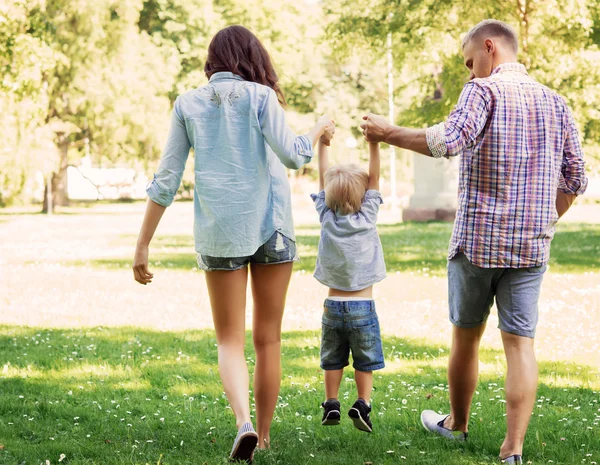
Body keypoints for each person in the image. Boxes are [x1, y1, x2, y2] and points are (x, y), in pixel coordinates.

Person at [360, 19, 587, 465]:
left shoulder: (483, 91)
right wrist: (543, 219)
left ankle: (457, 426)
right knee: (520, 344)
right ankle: (512, 449)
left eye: (470, 62)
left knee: (466, 338)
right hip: (530, 249)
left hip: (477, 244)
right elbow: (576, 177)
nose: (468, 72)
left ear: (490, 48)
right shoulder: (557, 103)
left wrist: (388, 134)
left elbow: (450, 140)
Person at [132, 25, 335, 463]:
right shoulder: (262, 98)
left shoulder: (187, 104)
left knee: (229, 340)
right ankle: (262, 437)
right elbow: (294, 156)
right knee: (268, 340)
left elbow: (166, 179)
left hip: (219, 233)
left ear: (213, 61)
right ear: (252, 58)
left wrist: (143, 244)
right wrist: (318, 129)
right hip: (272, 228)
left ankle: (242, 421)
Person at [311, 136, 386, 433]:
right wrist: (375, 144)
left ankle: (331, 402)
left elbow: (321, 175)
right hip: (363, 308)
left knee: (333, 359)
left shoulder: (326, 217)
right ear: (365, 193)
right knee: (364, 361)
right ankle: (362, 403)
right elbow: (376, 175)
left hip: (332, 308)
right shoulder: (368, 215)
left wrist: (324, 145)